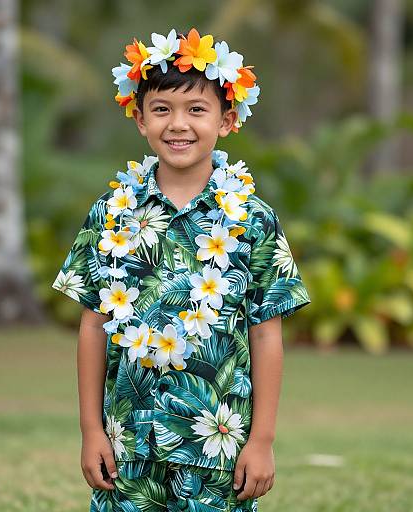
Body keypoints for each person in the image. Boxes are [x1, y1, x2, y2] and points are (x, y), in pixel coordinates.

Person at [52, 27, 311, 512]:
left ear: (227, 120)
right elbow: (92, 324)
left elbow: (266, 334)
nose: (178, 124)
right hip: (129, 444)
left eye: (197, 110)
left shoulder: (253, 218)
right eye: (162, 109)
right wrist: (90, 430)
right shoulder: (112, 213)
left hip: (217, 447)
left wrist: (262, 440)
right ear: (139, 119)